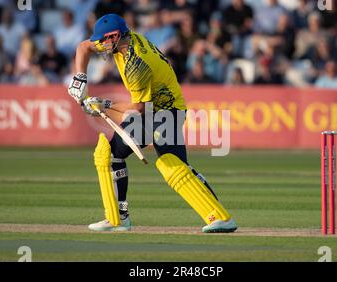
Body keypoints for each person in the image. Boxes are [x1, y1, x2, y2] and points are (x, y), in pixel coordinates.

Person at [67, 14, 237, 233]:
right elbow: (83, 47)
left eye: (105, 40)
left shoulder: (136, 64)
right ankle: (119, 217)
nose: (102, 45)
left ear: (116, 36)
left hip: (166, 111)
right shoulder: (120, 41)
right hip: (154, 110)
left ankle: (220, 218)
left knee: (170, 164)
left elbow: (138, 108)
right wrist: (79, 78)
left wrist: (103, 105)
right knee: (113, 155)